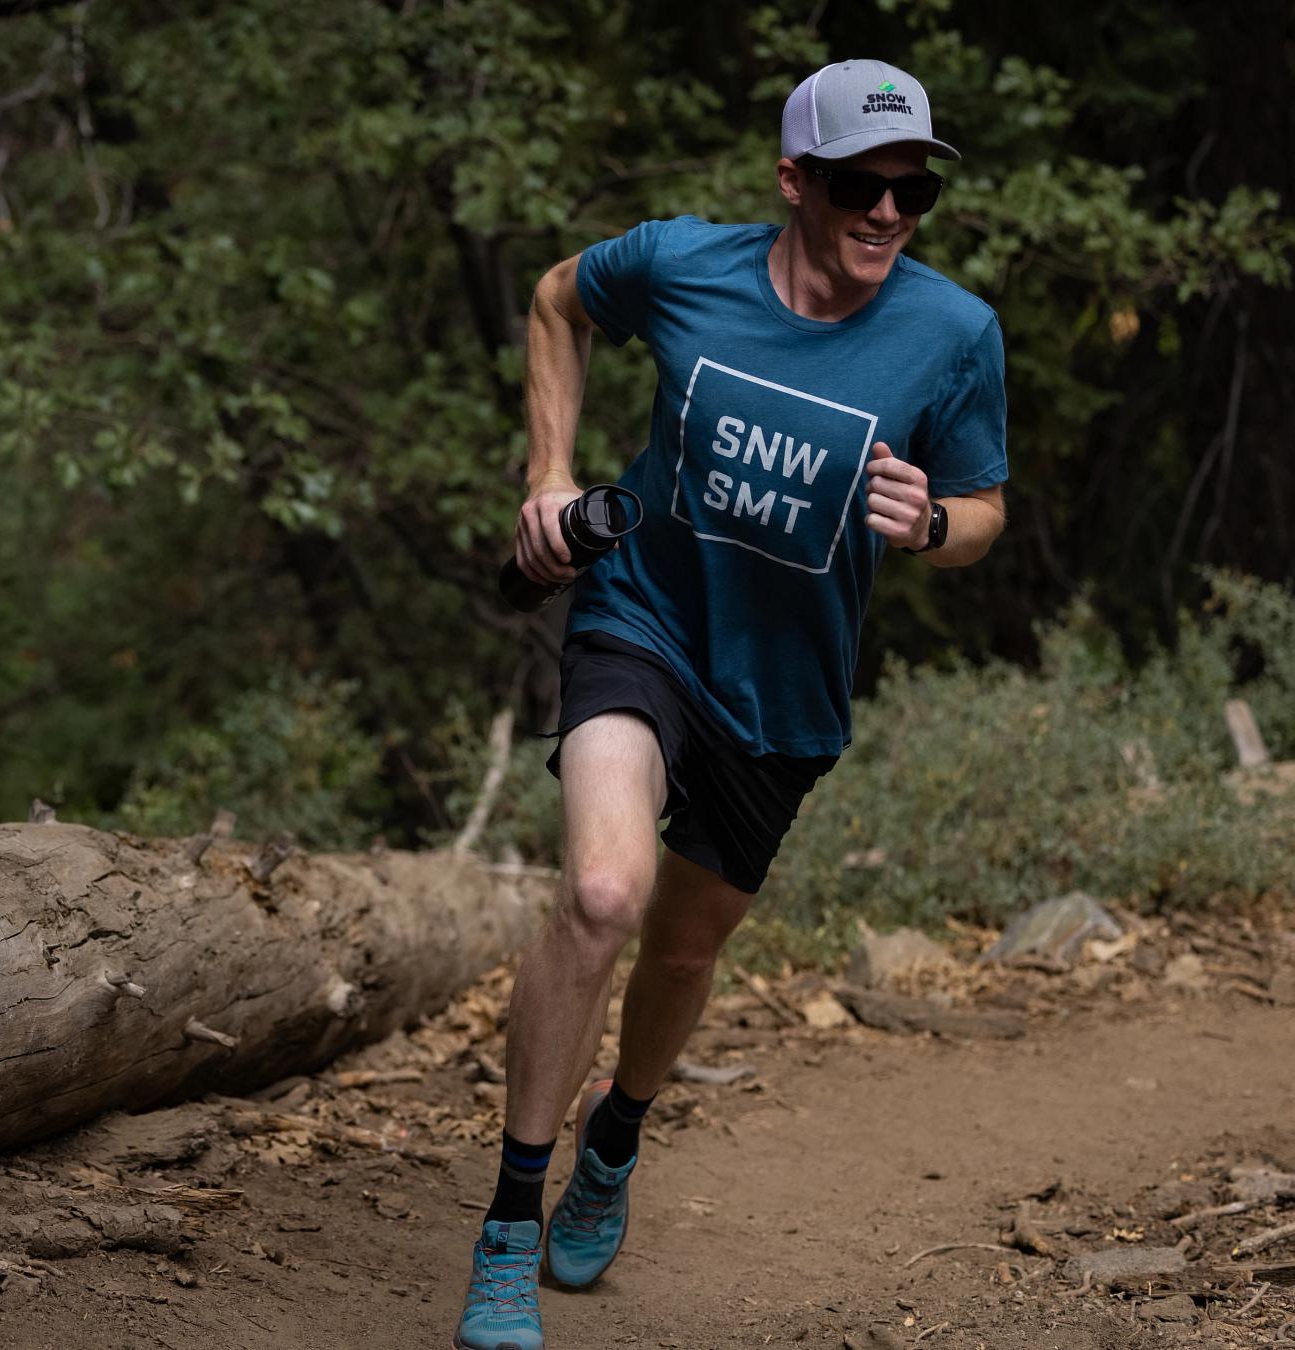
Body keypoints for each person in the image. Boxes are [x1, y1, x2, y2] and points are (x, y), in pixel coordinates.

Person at [456, 58, 1010, 1350]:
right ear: (793, 178)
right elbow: (555, 299)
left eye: (911, 188)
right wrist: (548, 476)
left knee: (686, 950)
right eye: (858, 185)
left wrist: (930, 521)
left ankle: (618, 1137)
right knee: (602, 895)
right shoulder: (682, 266)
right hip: (641, 622)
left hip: (785, 692)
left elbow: (985, 512)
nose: (887, 212)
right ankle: (504, 1224)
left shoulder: (952, 331)